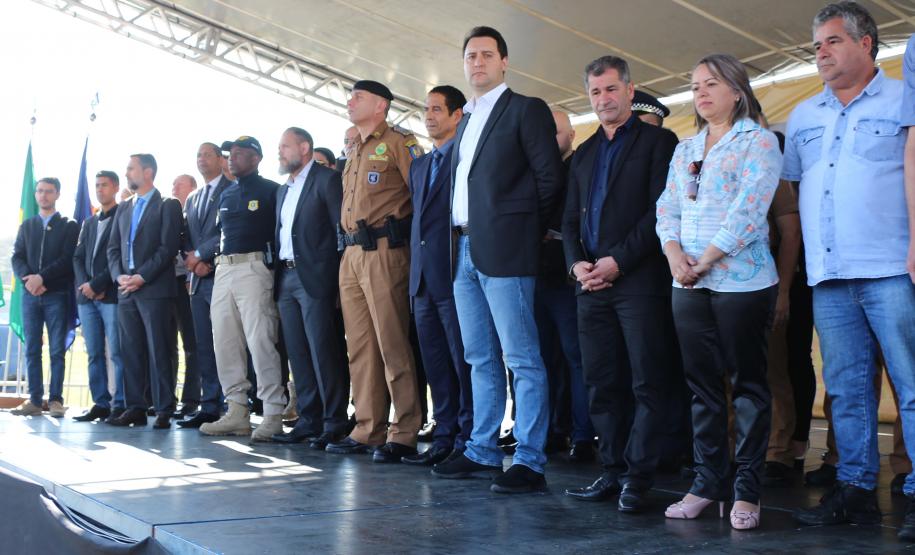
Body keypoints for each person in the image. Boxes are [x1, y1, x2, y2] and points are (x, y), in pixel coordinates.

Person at [789, 3, 915, 541]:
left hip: (892, 267)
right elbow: (795, 192)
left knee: (911, 385)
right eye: (817, 44)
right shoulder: (801, 115)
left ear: (867, 44)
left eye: (833, 41)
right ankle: (856, 490)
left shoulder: (903, 99)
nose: (821, 52)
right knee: (844, 387)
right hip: (830, 275)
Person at [430, 26, 562, 493]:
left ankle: (529, 459)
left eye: (487, 55)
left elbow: (549, 180)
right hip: (462, 248)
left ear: (505, 62)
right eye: (470, 56)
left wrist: (524, 233)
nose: (478, 62)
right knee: (478, 356)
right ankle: (483, 450)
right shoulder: (465, 119)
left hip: (507, 249)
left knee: (522, 357)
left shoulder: (526, 109)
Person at [656, 53, 780, 530]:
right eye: (695, 87)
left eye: (712, 83)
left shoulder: (760, 142)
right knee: (702, 388)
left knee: (747, 386)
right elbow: (667, 207)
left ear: (737, 90)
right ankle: (707, 483)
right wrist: (674, 257)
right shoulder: (685, 148)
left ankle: (747, 489)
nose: (701, 93)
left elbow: (750, 212)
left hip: (742, 282)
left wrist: (704, 260)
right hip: (685, 283)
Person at [562, 56, 680, 512]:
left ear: (630, 91)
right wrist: (577, 266)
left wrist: (618, 262)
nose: (603, 99)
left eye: (611, 89)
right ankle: (611, 471)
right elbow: (570, 220)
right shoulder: (586, 152)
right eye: (595, 92)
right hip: (590, 284)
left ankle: (638, 476)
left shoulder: (659, 142)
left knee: (647, 380)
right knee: (601, 382)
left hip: (638, 281)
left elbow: (659, 213)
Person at [326, 80, 424, 463]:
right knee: (361, 347)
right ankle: (368, 427)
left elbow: (422, 195)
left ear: (381, 105)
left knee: (392, 342)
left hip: (386, 249)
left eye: (359, 97)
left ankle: (405, 431)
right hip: (351, 252)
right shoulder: (354, 148)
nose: (351, 102)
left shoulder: (401, 142)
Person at [402, 85, 474, 466]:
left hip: (452, 271)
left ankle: (468, 437)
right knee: (434, 362)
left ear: (457, 115)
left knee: (462, 360)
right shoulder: (420, 164)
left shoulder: (465, 159)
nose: (429, 116)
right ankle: (443, 434)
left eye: (437, 109)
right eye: (425, 109)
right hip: (422, 280)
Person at [198, 136, 284, 441]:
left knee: (260, 339)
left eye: (240, 154)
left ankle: (273, 411)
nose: (232, 158)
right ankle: (236, 409)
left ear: (256, 158)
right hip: (224, 269)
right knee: (224, 341)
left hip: (255, 267)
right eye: (230, 154)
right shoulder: (226, 194)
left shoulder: (273, 190)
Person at [271, 127, 350, 449]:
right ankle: (308, 418)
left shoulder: (326, 180)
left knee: (324, 351)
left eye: (285, 146)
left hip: (315, 278)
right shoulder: (283, 190)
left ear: (304, 148)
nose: (280, 152)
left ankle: (334, 421)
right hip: (286, 278)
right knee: (298, 353)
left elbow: (339, 231)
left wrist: (335, 283)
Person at [106, 154, 183, 429]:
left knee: (159, 349)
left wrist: (142, 276)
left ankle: (163, 408)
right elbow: (113, 248)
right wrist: (120, 277)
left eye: (131, 168)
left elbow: (167, 248)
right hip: (126, 290)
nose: (126, 173)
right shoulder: (124, 208)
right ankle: (135, 407)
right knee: (131, 351)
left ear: (148, 172)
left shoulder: (167, 205)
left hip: (154, 290)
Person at [536, 109, 596, 462]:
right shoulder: (533, 169)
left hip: (568, 275)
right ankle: (551, 430)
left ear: (571, 134)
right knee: (543, 358)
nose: (549, 139)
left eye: (555, 132)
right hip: (536, 275)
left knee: (576, 357)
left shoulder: (580, 167)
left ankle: (583, 434)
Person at [10, 177, 79, 417]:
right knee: (31, 348)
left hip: (56, 294)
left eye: (48, 192)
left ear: (57, 194)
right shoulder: (27, 225)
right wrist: (29, 279)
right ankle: (35, 400)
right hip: (30, 295)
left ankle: (56, 400)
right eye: (40, 191)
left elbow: (68, 259)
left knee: (57, 349)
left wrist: (42, 278)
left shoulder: (69, 225)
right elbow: (17, 256)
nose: (43, 196)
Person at [177, 143, 233, 429]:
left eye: (207, 154)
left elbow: (227, 230)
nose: (201, 159)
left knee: (226, 342)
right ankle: (209, 404)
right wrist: (192, 258)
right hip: (198, 281)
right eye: (198, 154)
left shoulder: (231, 188)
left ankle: (231, 404)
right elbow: (186, 235)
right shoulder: (194, 197)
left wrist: (202, 256)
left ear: (220, 159)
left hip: (221, 274)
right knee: (203, 345)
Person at [72, 171, 124, 422]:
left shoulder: (123, 217)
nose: (99, 190)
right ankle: (100, 402)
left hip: (110, 295)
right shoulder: (89, 222)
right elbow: (77, 257)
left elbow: (120, 257)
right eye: (96, 185)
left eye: (104, 185)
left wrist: (98, 284)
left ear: (115, 187)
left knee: (116, 351)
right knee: (93, 353)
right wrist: (86, 285)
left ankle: (120, 403)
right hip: (87, 298)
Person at [169, 174, 200, 418]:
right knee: (169, 345)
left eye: (180, 184)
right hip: (169, 284)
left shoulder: (195, 213)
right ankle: (166, 398)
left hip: (189, 283)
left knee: (192, 344)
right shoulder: (169, 213)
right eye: (173, 184)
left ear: (192, 188)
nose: (174, 187)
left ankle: (192, 398)